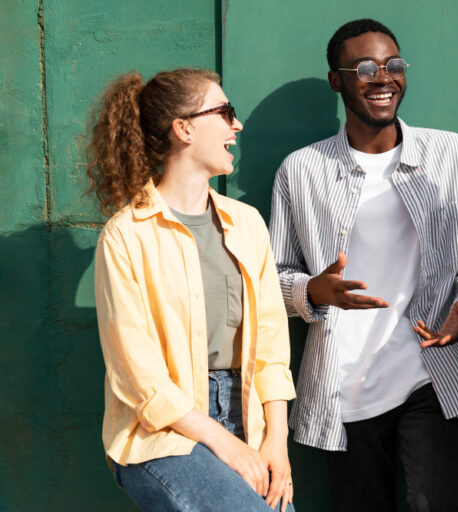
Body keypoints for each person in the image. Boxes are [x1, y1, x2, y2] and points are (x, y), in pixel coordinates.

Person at [268, 18, 458, 512]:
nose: (383, 77)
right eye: (366, 67)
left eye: (394, 64)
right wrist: (314, 291)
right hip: (344, 385)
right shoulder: (302, 170)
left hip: (431, 374)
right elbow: (273, 279)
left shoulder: (451, 155)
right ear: (337, 80)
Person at [88, 68, 296, 512]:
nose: (236, 125)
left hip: (250, 417)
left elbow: (272, 347)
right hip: (161, 434)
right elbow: (137, 375)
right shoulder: (126, 236)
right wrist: (224, 442)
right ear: (183, 128)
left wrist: (276, 442)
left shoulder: (247, 223)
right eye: (225, 113)